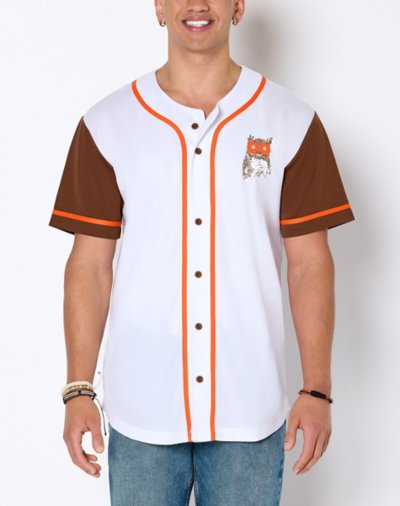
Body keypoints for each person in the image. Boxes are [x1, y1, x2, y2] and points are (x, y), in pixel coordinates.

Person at [50, 1, 355, 504]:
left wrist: (317, 388)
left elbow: (309, 264)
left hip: (249, 408)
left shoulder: (291, 121)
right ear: (159, 7)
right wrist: (78, 387)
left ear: (238, 7)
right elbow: (90, 265)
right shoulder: (108, 125)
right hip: (141, 408)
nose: (197, 4)